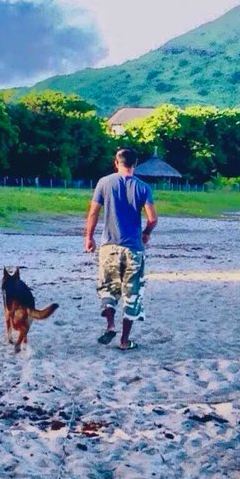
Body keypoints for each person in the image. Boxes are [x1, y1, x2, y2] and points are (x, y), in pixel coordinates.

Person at [84, 147, 158, 350]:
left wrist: (89, 237)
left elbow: (93, 213)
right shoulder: (143, 188)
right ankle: (124, 341)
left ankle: (110, 325)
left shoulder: (104, 183)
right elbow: (152, 219)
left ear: (116, 162)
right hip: (133, 248)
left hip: (109, 246)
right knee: (131, 294)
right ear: (135, 164)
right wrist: (146, 233)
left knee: (107, 288)